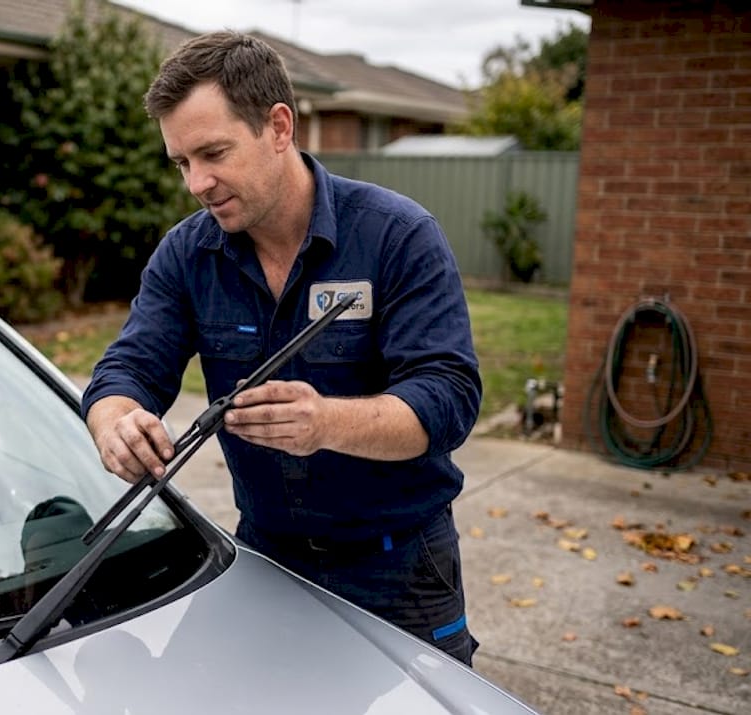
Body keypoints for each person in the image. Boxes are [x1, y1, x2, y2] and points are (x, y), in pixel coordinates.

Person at [80, 31, 482, 666]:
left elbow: (448, 399)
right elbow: (126, 369)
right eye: (181, 163)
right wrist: (116, 423)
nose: (197, 183)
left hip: (401, 570)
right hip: (267, 559)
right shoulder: (188, 255)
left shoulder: (396, 236)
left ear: (278, 127)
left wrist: (326, 422)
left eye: (213, 153)